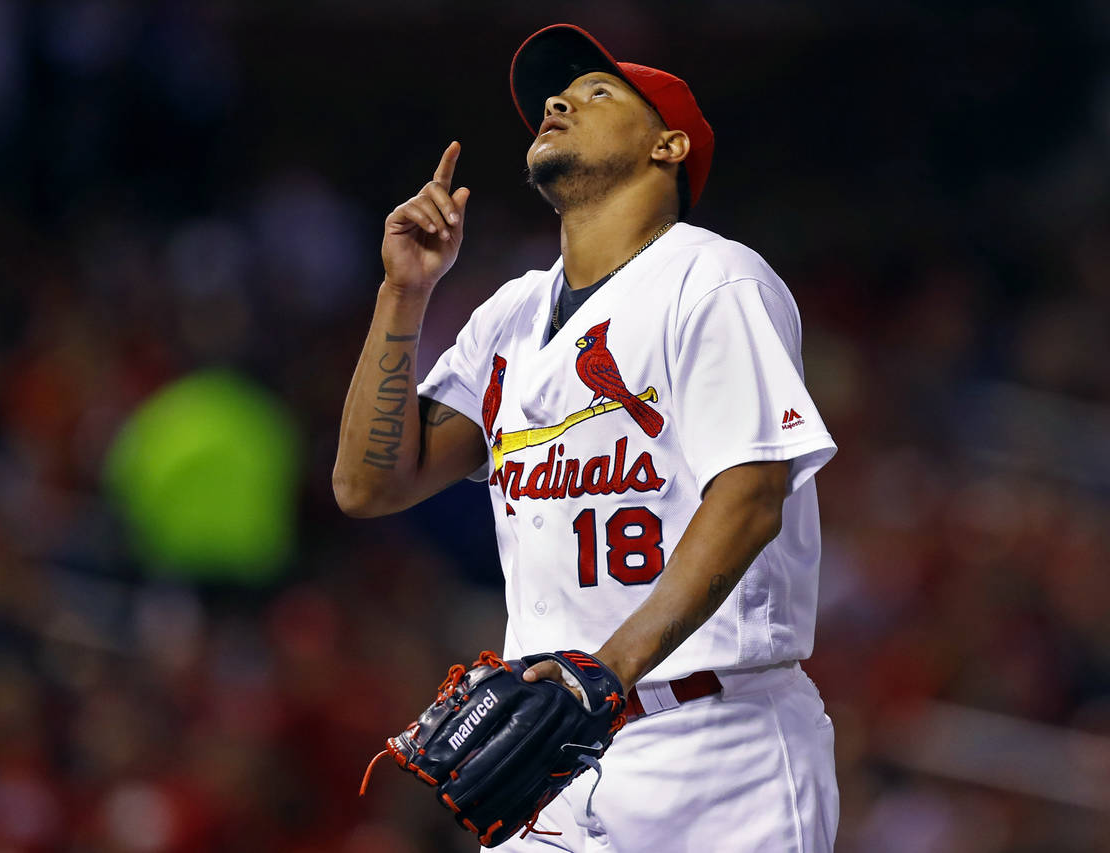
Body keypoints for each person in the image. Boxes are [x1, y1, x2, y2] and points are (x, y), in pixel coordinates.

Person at [334, 23, 839, 852]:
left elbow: (752, 497)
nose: (559, 103)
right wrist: (403, 294)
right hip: (555, 753)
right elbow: (368, 483)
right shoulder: (509, 314)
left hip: (719, 745)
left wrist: (606, 673)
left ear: (668, 145)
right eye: (554, 98)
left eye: (597, 93)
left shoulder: (713, 279)